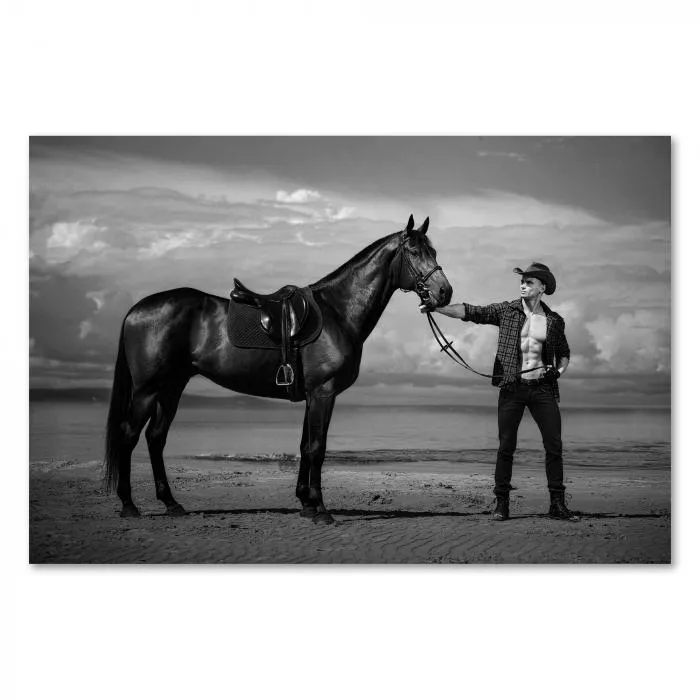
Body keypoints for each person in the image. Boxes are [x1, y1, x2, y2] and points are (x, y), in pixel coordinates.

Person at [422, 262, 578, 522]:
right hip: (511, 388)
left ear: (542, 287)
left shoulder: (554, 321)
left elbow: (564, 354)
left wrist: (557, 372)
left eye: (529, 282)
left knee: (554, 447)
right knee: (506, 446)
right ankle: (502, 504)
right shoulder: (506, 311)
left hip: (543, 389)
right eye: (523, 280)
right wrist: (436, 308)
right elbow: (471, 312)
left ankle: (557, 504)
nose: (523, 284)